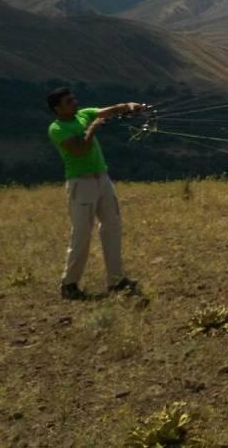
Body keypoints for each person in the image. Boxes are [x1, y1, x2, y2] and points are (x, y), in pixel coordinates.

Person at [46, 87, 145, 300]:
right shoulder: (56, 128)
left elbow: (109, 111)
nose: (75, 103)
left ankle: (116, 280)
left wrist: (128, 106)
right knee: (81, 233)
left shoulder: (83, 113)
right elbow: (79, 149)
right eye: (69, 102)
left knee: (113, 227)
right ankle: (69, 284)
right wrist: (91, 129)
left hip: (102, 178)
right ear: (57, 108)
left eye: (74, 99)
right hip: (80, 183)